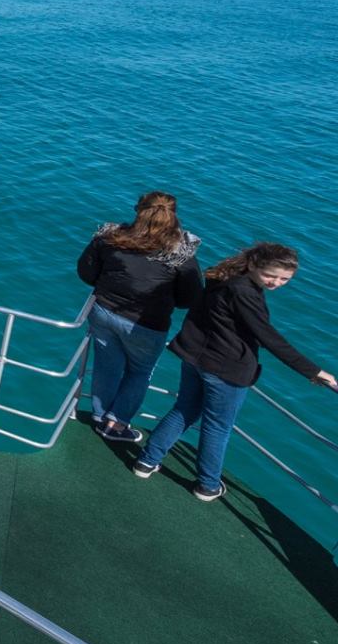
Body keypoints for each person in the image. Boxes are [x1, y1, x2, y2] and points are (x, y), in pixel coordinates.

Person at [131, 244, 336, 500]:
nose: (276, 283)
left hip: (195, 358)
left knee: (184, 409)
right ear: (253, 266)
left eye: (285, 279)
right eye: (270, 275)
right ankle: (208, 485)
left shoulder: (223, 276)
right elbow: (270, 338)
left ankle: (147, 462)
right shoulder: (244, 293)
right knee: (217, 427)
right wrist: (314, 371)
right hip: (225, 368)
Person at [76, 192, 202, 442]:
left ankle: (100, 417)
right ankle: (117, 424)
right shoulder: (181, 253)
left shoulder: (109, 236)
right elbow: (190, 298)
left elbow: (86, 273)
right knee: (140, 372)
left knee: (106, 368)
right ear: (173, 216)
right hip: (147, 324)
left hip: (103, 312)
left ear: (137, 210)